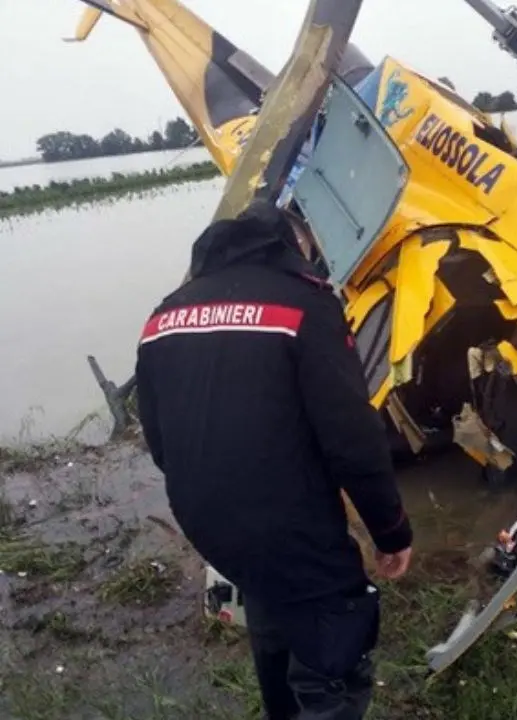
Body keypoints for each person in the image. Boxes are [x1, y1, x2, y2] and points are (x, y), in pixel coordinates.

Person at [134, 198, 414, 720]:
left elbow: (159, 439)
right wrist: (391, 530)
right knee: (334, 644)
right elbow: (353, 438)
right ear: (291, 244)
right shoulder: (304, 305)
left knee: (268, 588)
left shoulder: (164, 315)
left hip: (205, 516)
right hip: (284, 519)